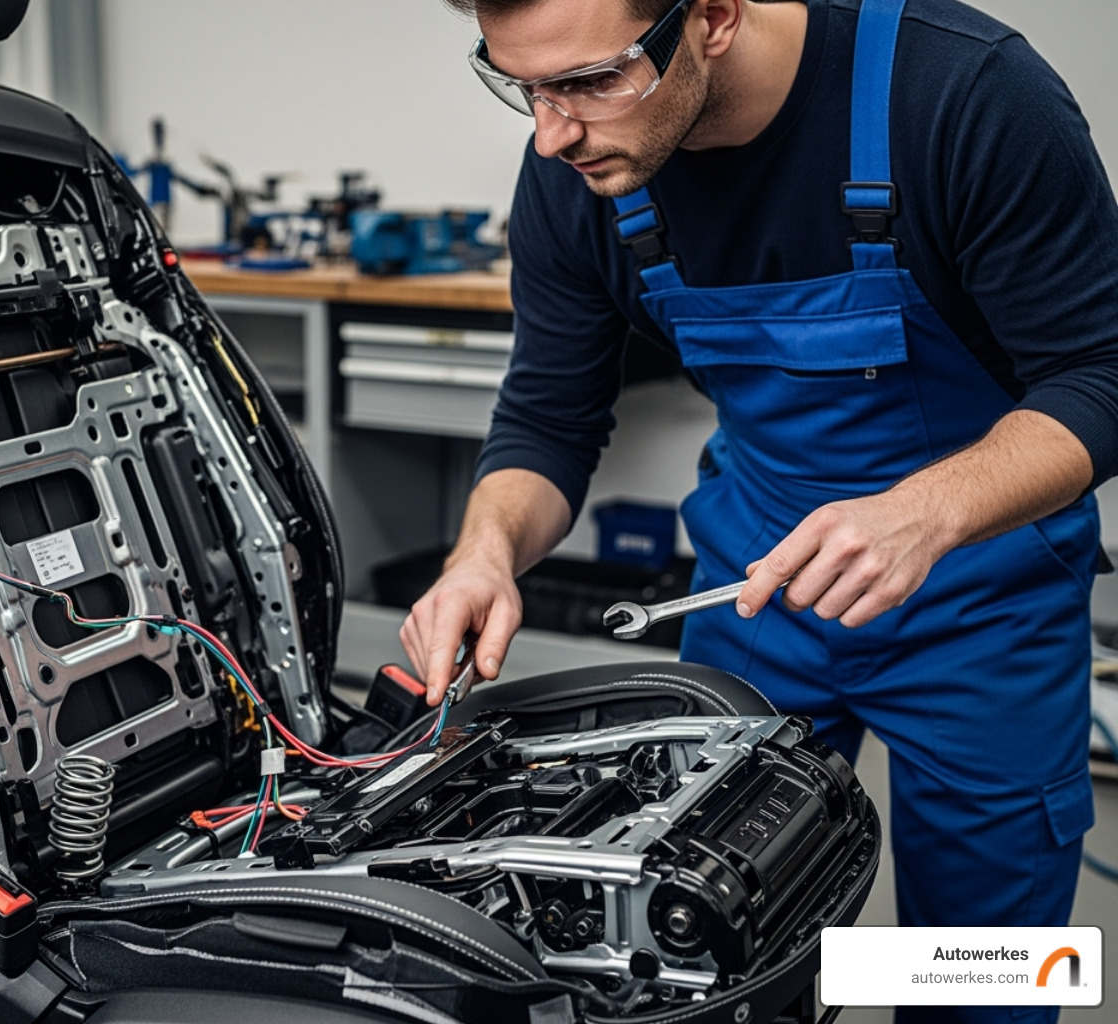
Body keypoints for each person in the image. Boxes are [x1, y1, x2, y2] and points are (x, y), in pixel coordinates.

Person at [402, 1, 1116, 1020]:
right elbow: (548, 415)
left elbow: (1100, 373)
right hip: (756, 596)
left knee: (983, 973)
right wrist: (484, 553)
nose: (551, 133)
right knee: (704, 955)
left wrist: (923, 512)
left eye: (589, 81)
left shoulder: (962, 91)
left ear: (717, 16)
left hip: (982, 609)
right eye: (522, 86)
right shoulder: (582, 169)